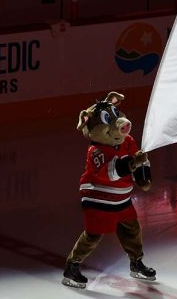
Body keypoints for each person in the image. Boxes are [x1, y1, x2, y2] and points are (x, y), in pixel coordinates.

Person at [62, 91, 155, 289]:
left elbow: (138, 158)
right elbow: (111, 173)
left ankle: (136, 262)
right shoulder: (96, 151)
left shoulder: (127, 140)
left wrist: (143, 174)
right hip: (98, 197)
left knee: (132, 229)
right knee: (93, 234)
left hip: (122, 197)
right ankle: (72, 266)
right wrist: (134, 162)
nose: (119, 124)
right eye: (107, 120)